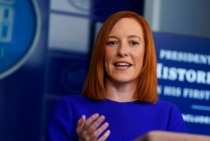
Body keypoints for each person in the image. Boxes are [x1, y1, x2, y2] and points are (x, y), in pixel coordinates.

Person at [47, 11, 186, 141]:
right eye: (112, 42)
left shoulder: (168, 115)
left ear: (146, 54)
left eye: (133, 43)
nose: (122, 51)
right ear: (101, 53)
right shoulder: (70, 109)